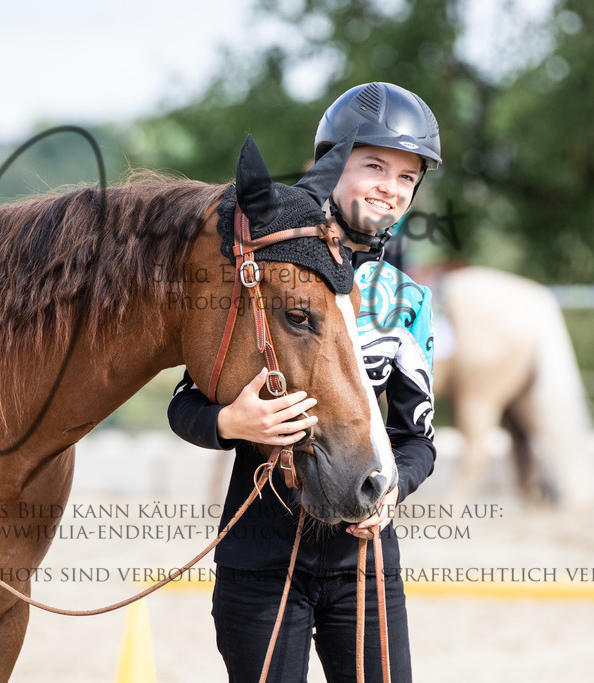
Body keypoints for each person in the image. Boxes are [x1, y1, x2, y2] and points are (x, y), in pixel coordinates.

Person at [168, 82, 441, 682]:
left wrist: (396, 487)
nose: (389, 189)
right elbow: (184, 402)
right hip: (260, 564)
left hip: (363, 566)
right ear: (330, 165)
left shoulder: (406, 302)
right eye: (374, 165)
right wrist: (228, 423)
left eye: (407, 178)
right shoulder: (268, 273)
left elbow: (417, 439)